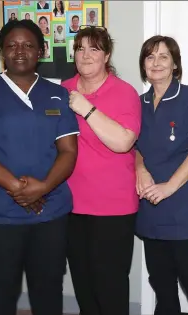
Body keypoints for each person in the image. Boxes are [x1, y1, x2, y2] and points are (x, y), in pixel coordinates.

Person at [0, 19, 79, 315]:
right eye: (11, 45)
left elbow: (68, 150)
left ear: (41, 50)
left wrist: (43, 187)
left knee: (48, 288)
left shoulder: (57, 94)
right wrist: (17, 188)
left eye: (28, 45)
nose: (20, 50)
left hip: (50, 211)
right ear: (2, 52)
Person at [135, 35, 188, 315]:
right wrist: (140, 169)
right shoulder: (139, 103)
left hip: (183, 206)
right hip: (150, 207)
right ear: (143, 65)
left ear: (175, 64)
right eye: (150, 57)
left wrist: (169, 187)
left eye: (163, 57)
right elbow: (133, 145)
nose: (156, 63)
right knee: (160, 281)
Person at [61, 26, 141, 315]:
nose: (86, 54)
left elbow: (123, 142)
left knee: (110, 286)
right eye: (80, 48)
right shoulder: (62, 88)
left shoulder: (124, 92)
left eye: (94, 48)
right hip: (71, 205)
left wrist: (87, 109)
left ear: (107, 55)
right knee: (83, 285)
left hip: (112, 208)